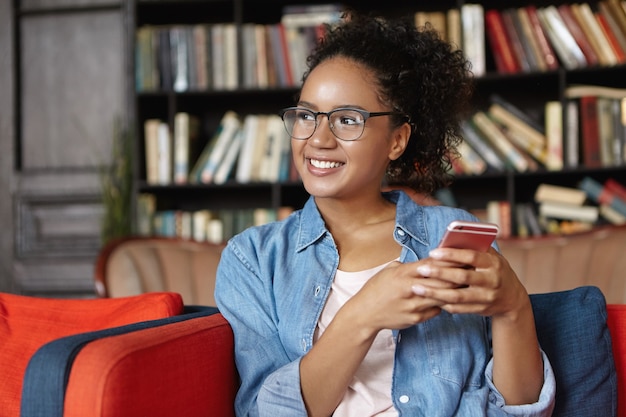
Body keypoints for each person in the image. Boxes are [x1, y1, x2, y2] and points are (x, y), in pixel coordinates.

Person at [215, 11, 555, 417]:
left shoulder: (449, 234)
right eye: (306, 115)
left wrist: (514, 306)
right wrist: (364, 314)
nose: (318, 139)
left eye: (346, 120)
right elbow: (262, 412)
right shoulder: (253, 260)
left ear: (397, 140)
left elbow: (517, 411)